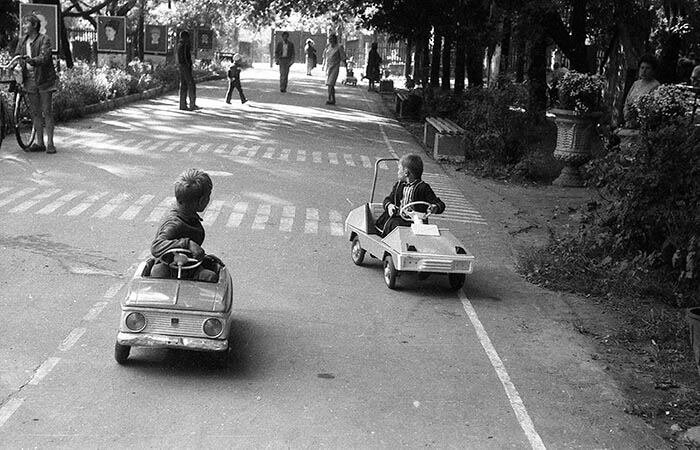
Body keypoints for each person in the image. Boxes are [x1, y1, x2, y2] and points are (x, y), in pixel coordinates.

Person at [150, 169, 217, 282]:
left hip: (190, 267)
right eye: (208, 197)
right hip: (169, 269)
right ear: (202, 201)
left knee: (211, 276)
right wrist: (187, 244)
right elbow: (156, 246)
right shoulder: (174, 224)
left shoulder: (189, 218)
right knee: (159, 272)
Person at [13, 14, 57, 153]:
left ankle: (50, 143)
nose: (24, 26)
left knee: (47, 111)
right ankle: (39, 143)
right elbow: (16, 57)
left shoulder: (44, 39)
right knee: (36, 112)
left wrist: (31, 60)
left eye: (26, 24)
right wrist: (15, 65)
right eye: (24, 24)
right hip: (29, 80)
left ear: (34, 25)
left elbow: (44, 57)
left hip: (44, 79)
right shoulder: (22, 41)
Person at [374, 154, 445, 237]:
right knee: (395, 225)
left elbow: (440, 204)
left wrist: (434, 207)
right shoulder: (399, 185)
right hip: (398, 218)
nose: (397, 172)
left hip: (416, 221)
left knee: (419, 231)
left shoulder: (423, 188)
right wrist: (390, 206)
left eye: (399, 169)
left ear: (406, 172)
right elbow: (388, 199)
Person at [623, 55, 661, 124]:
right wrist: (627, 115)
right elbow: (627, 101)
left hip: (644, 123)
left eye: (647, 68)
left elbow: (653, 108)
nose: (644, 71)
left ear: (653, 70)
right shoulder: (636, 84)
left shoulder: (656, 86)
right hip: (629, 121)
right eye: (642, 68)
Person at [177, 30, 199, 111]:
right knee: (191, 85)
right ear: (185, 37)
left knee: (183, 85)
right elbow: (186, 57)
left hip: (181, 66)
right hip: (185, 66)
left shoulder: (179, 45)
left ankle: (182, 105)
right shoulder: (185, 45)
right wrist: (189, 65)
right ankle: (192, 105)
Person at [323, 34, 346, 105]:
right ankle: (331, 98)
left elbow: (343, 57)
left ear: (335, 39)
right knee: (328, 84)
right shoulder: (328, 46)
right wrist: (323, 65)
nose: (330, 40)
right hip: (328, 67)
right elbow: (325, 56)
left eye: (332, 38)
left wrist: (346, 66)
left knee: (331, 83)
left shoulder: (339, 47)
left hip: (335, 67)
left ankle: (330, 99)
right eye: (329, 38)